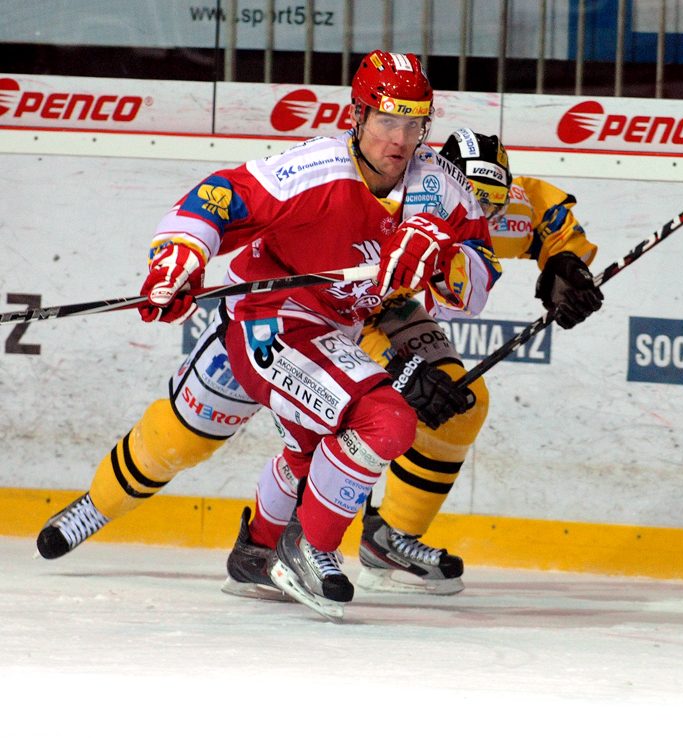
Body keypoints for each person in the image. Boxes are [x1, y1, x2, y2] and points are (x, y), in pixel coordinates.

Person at [36, 122, 603, 603]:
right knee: (182, 437)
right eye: (472, 197)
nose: (480, 211)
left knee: (452, 405)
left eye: (491, 203)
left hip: (377, 310)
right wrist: (182, 253)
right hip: (284, 311)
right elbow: (232, 199)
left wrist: (567, 264)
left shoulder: (485, 202)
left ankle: (387, 538)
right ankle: (99, 504)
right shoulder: (367, 183)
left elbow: (539, 219)